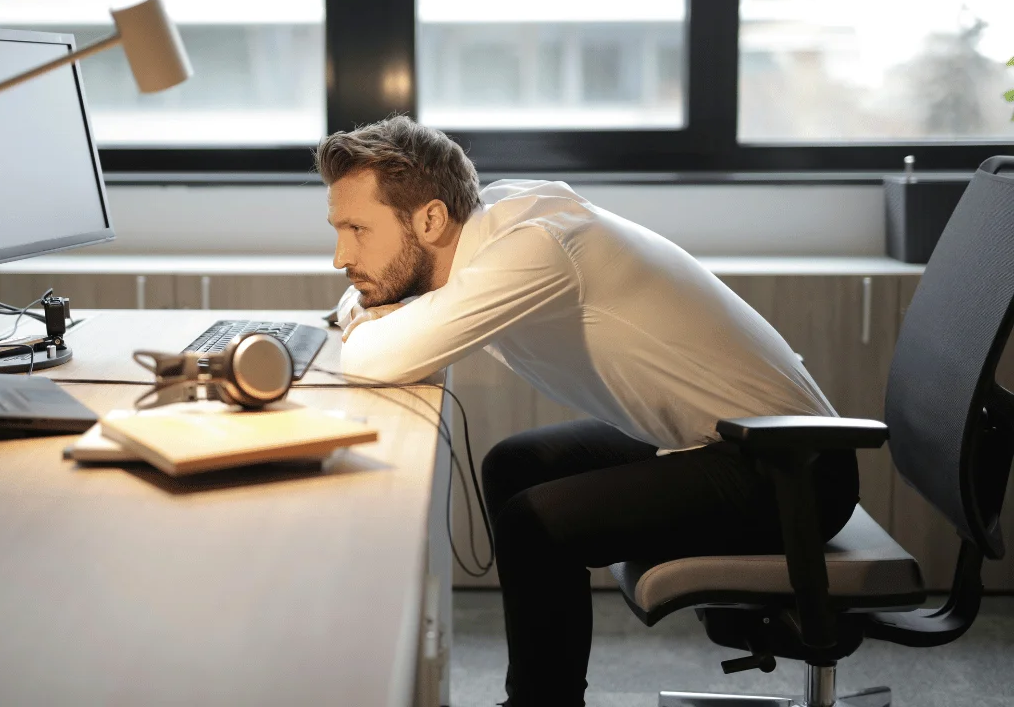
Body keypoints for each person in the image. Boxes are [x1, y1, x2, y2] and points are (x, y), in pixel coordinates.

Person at [319, 115, 859, 707]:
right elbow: (364, 311)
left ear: (430, 219)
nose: (342, 255)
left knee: (535, 522)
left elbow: (372, 358)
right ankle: (543, 694)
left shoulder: (533, 249)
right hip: (725, 440)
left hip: (791, 468)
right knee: (515, 464)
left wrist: (368, 319)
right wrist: (369, 310)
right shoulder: (496, 218)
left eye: (357, 229)